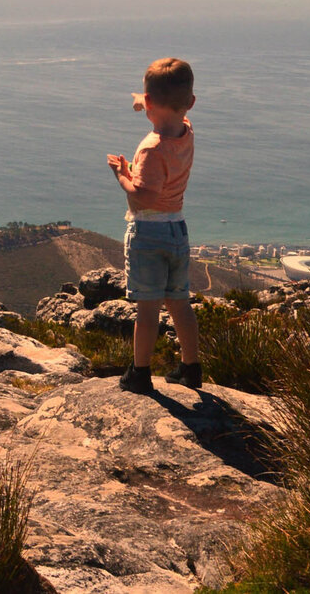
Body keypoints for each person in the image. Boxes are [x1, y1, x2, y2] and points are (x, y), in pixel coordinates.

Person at [106, 57, 200, 392]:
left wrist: (121, 175)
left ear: (149, 103)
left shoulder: (150, 149)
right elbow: (171, 109)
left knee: (147, 309)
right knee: (180, 302)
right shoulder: (186, 133)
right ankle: (191, 368)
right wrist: (142, 101)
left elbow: (143, 197)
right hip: (178, 229)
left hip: (149, 233)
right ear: (189, 103)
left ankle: (140, 374)